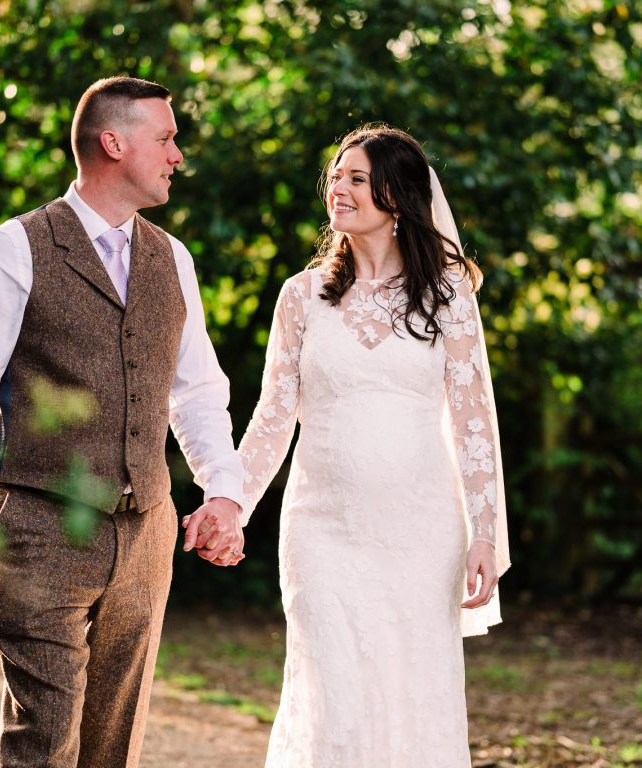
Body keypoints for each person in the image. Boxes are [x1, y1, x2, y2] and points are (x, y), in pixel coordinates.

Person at [0, 76, 245, 768]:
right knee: (46, 736)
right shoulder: (15, 248)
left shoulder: (173, 259)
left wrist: (223, 491)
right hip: (40, 531)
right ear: (112, 142)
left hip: (146, 533)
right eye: (166, 138)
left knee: (111, 744)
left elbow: (196, 394)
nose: (177, 155)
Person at [235, 125, 511, 767]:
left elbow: (474, 424)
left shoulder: (448, 297)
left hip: (420, 533)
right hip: (321, 530)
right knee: (333, 692)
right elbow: (273, 416)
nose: (340, 187)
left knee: (412, 692)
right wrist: (230, 503)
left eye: (357, 178)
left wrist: (485, 533)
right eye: (336, 175)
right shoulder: (301, 297)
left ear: (397, 196)